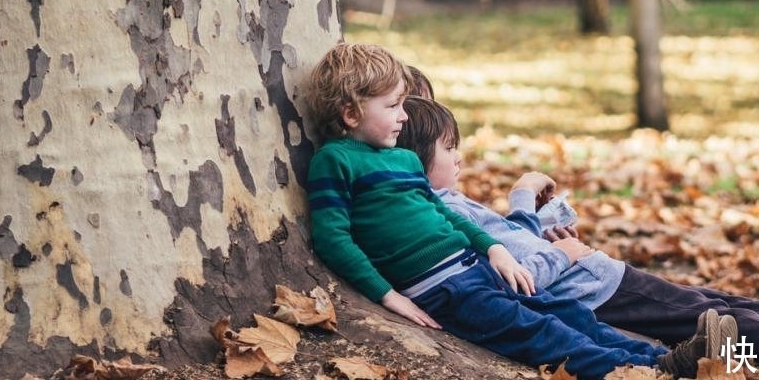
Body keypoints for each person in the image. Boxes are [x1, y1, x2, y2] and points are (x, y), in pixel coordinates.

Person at [396, 91, 759, 372]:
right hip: (593, 290)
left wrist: (546, 227)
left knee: (719, 302)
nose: (461, 159)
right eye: (451, 150)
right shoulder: (438, 211)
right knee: (729, 323)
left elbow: (517, 247)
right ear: (417, 159)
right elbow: (519, 270)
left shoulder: (443, 201)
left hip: (599, 276)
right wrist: (547, 232)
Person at [303, 42, 736, 380]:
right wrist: (386, 295)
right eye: (393, 106)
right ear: (350, 111)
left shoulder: (401, 159)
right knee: (541, 334)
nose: (403, 116)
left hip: (477, 267)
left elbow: (445, 216)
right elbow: (333, 237)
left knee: (568, 315)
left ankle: (669, 360)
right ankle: (643, 373)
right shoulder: (336, 161)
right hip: (444, 290)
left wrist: (494, 249)